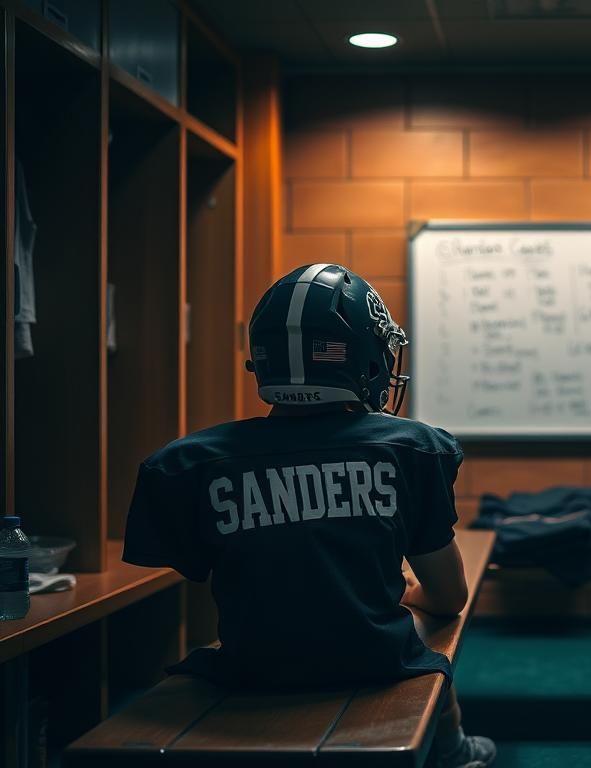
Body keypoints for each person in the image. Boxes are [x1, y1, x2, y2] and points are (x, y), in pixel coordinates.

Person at [122, 263, 496, 768]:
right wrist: (403, 591)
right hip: (376, 664)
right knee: (424, 642)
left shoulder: (188, 464)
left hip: (251, 669)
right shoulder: (413, 449)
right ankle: (450, 751)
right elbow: (450, 598)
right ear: (364, 357)